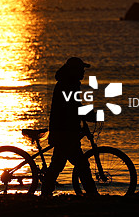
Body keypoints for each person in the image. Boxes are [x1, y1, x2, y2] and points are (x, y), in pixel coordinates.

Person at [41, 56, 99, 197]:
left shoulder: (68, 83)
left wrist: (84, 114)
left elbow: (74, 107)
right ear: (74, 70)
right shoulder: (68, 85)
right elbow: (71, 108)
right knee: (80, 164)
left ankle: (46, 192)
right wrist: (89, 115)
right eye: (81, 69)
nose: (83, 72)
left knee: (60, 164)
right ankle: (92, 193)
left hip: (65, 131)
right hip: (64, 132)